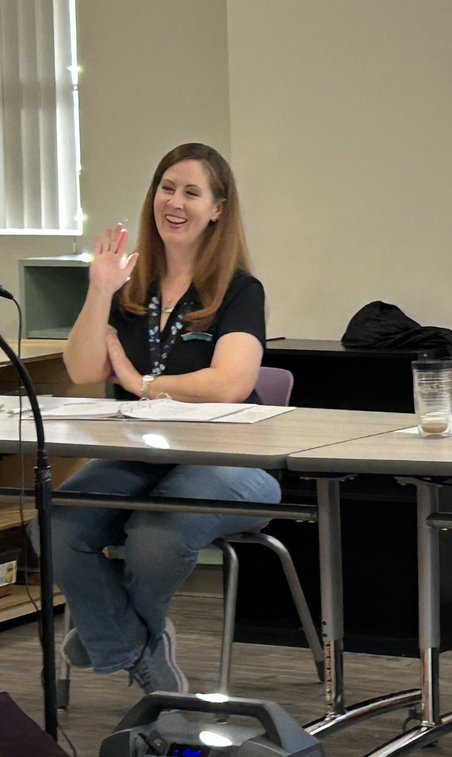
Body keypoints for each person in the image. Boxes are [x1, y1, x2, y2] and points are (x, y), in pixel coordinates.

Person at [41, 143, 280, 694]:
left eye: (191, 193)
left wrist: (142, 384)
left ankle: (113, 636)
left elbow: (231, 383)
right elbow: (80, 369)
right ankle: (132, 640)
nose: (175, 203)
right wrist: (101, 289)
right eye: (167, 189)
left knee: (154, 533)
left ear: (217, 209)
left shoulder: (239, 289)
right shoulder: (132, 285)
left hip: (229, 461)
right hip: (141, 454)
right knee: (55, 525)